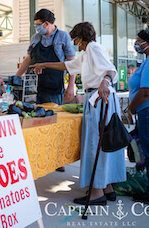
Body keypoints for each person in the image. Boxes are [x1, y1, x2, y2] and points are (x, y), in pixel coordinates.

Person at [30, 22, 126, 205]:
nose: (75, 44)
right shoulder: (88, 53)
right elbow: (67, 65)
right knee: (104, 142)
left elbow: (111, 70)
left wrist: (105, 81)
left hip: (99, 98)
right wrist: (44, 64)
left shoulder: (93, 48)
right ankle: (107, 188)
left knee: (95, 144)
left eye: (76, 39)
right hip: (99, 98)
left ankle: (97, 193)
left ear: (82, 37)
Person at [128, 29, 149, 205]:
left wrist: (131, 108)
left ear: (147, 43)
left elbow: (146, 91)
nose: (136, 44)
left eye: (138, 40)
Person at [16, 8, 76, 105]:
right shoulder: (35, 38)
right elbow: (27, 59)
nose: (37, 28)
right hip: (32, 88)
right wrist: (16, 78)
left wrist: (71, 86)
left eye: (38, 25)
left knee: (53, 116)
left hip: (53, 88)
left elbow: (72, 64)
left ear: (47, 23)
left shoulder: (63, 36)